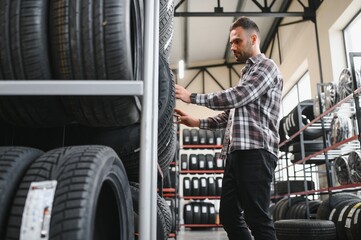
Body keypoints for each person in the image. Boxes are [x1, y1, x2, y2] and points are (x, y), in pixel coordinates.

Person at [175, 16, 283, 240]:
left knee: (258, 218)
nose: (232, 47)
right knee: (229, 215)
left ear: (253, 39)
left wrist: (192, 97)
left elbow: (238, 96)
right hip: (236, 154)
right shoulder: (247, 73)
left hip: (256, 151)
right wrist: (196, 122)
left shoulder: (266, 67)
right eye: (231, 42)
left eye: (237, 41)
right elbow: (231, 114)